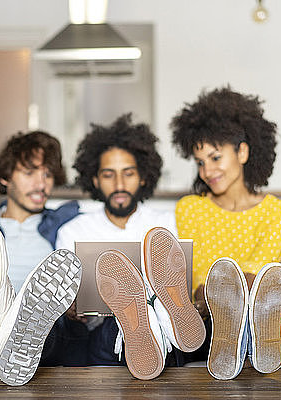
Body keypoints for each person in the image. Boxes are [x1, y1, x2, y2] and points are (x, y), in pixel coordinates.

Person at [55, 114, 205, 380]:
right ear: (95, 180)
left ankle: (155, 321)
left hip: (167, 330)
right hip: (102, 334)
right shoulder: (73, 231)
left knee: (167, 319)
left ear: (144, 177)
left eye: (129, 173)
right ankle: (141, 323)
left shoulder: (167, 224)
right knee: (114, 326)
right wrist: (70, 306)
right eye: (109, 175)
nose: (120, 185)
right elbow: (65, 301)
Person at [170, 86, 281, 379]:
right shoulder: (190, 209)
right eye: (200, 162)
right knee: (213, 307)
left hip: (265, 310)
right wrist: (218, 295)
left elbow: (262, 273)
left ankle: (258, 334)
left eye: (215, 158)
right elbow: (200, 275)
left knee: (259, 296)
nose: (207, 171)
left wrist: (238, 294)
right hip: (210, 312)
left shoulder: (277, 211)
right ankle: (239, 335)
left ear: (242, 151)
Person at [0, 130, 87, 385]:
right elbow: (1, 214)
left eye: (47, 174)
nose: (41, 184)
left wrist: (77, 299)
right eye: (29, 173)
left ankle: (17, 338)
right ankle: (5, 339)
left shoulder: (63, 222)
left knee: (47, 321)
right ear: (5, 178)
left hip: (50, 326)